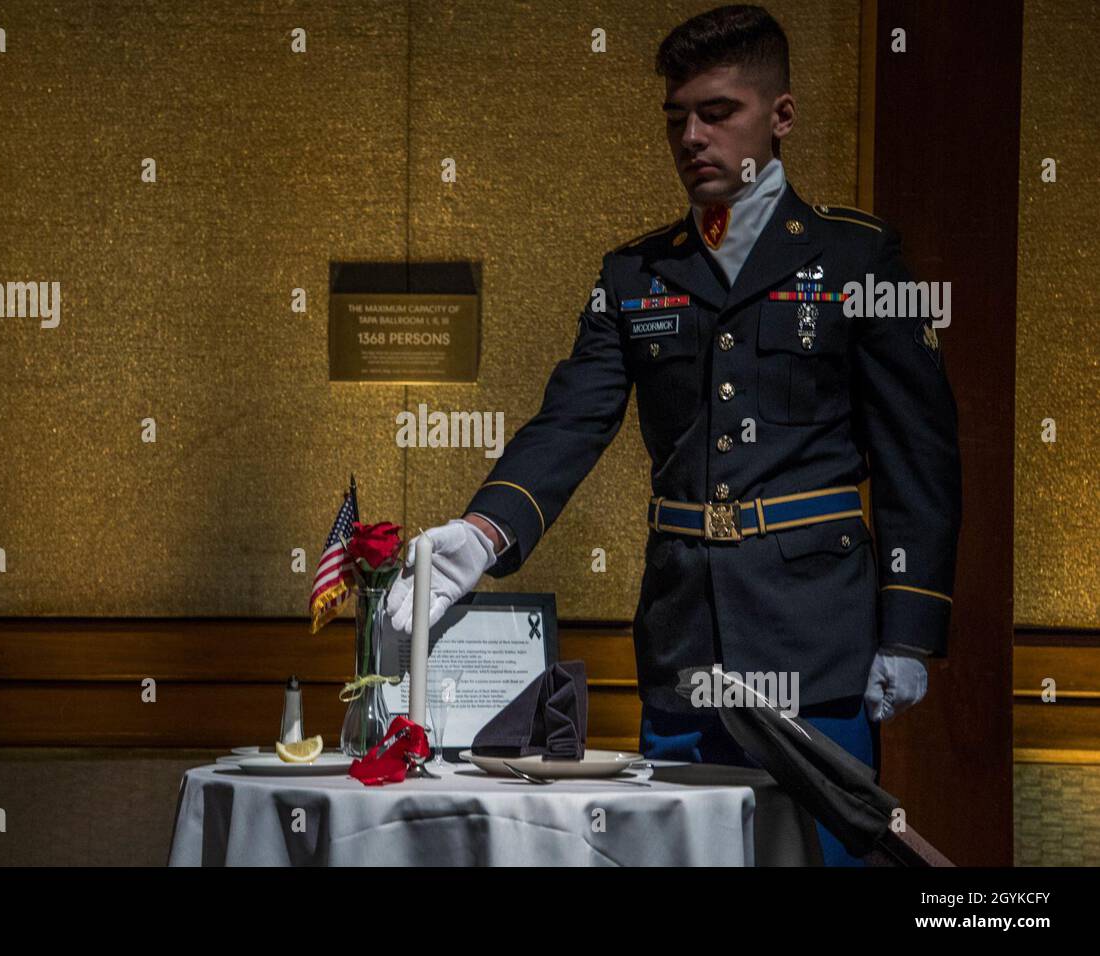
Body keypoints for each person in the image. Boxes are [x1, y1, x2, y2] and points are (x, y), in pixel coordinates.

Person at [386, 4, 960, 866]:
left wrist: (909, 631)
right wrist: (482, 533)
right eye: (676, 118)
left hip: (814, 641)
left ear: (782, 116)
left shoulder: (855, 259)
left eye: (717, 112)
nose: (692, 136)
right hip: (684, 639)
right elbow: (573, 416)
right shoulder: (635, 274)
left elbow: (921, 452)